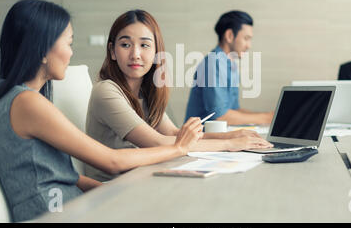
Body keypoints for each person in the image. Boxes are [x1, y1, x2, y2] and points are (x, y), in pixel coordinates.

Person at [0, 0, 203, 222]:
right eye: (68, 43)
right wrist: (178, 148)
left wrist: (113, 192)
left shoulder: (17, 97)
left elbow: (63, 174)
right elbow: (111, 161)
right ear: (42, 50)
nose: (71, 53)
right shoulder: (27, 103)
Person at [84, 10, 272, 181]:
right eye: (125, 45)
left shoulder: (145, 92)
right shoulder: (106, 91)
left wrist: (231, 136)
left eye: (144, 45)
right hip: (116, 186)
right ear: (112, 52)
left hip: (142, 175)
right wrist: (230, 143)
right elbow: (158, 142)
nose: (135, 54)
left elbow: (175, 134)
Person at [184, 10, 274, 125]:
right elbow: (220, 116)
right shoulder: (213, 63)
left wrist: (268, 117)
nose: (249, 45)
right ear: (230, 36)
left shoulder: (231, 66)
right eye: (246, 38)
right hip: (202, 138)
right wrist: (266, 118)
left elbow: (233, 111)